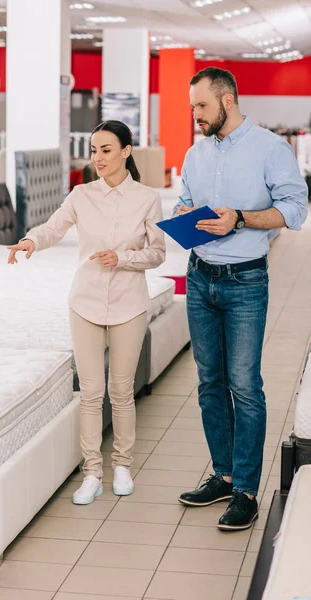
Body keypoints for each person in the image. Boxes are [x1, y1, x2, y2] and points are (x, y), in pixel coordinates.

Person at [174, 67, 308, 530]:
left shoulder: (270, 148)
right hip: (198, 278)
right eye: (193, 106)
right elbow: (182, 201)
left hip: (245, 282)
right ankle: (223, 475)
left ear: (228, 101)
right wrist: (183, 215)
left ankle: (247, 490)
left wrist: (241, 219)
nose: (195, 115)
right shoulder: (195, 153)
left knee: (244, 386)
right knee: (210, 383)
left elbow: (295, 210)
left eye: (201, 106)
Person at [7, 120, 165, 505]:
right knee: (92, 392)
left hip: (129, 304)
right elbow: (53, 228)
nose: (98, 157)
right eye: (94, 150)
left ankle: (123, 465)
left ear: (126, 151)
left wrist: (122, 258)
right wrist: (30, 240)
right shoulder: (81, 194)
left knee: (121, 391)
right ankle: (92, 472)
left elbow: (158, 253)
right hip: (85, 303)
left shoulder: (147, 197)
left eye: (106, 150)